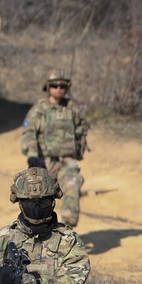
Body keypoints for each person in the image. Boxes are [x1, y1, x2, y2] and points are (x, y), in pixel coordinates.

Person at [20, 68, 90, 228]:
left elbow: (81, 130)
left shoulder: (72, 109)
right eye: (55, 85)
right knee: (38, 202)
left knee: (73, 184)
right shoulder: (39, 109)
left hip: (66, 161)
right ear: (48, 87)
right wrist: (32, 156)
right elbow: (28, 133)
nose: (58, 89)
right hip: (43, 162)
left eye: (62, 86)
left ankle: (66, 231)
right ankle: (37, 234)